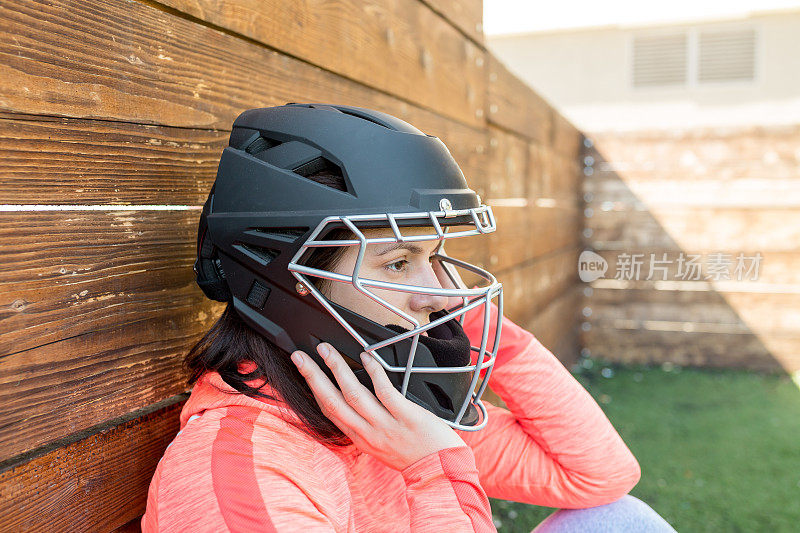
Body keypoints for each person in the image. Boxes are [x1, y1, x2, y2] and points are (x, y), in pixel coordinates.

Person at [141, 103, 677, 532]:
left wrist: (475, 332)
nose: (445, 294)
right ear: (292, 282)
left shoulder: (386, 401)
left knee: (617, 522)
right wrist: (435, 470)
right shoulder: (244, 476)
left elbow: (597, 477)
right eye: (398, 262)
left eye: (433, 257)